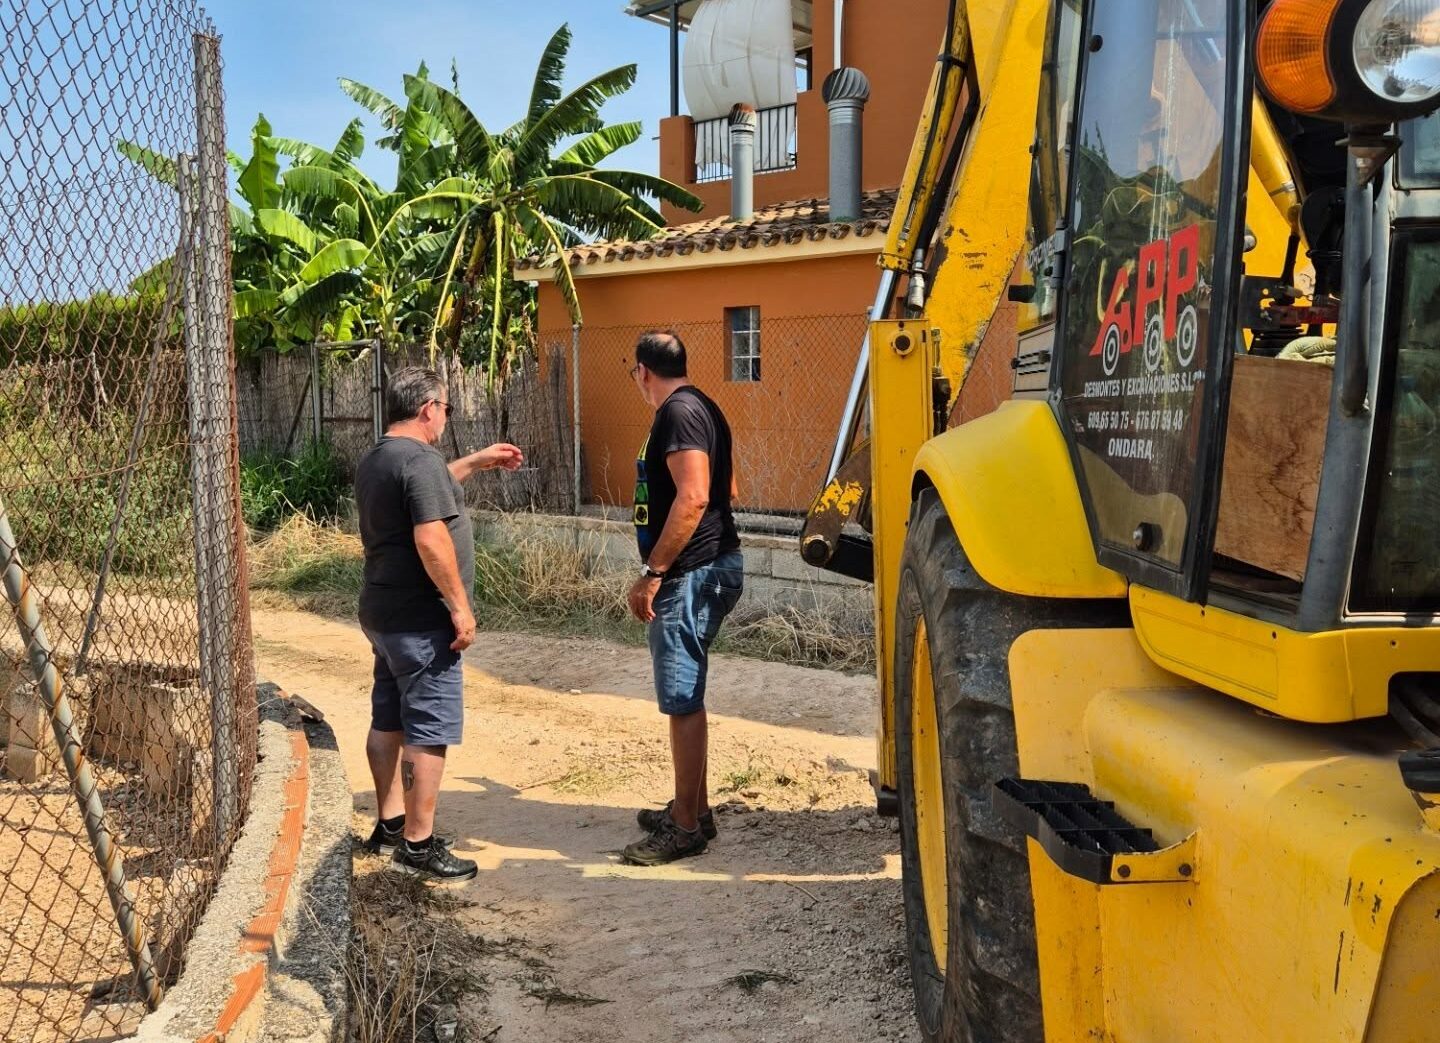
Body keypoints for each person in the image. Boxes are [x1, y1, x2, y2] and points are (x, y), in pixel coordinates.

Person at [356, 367, 523, 884]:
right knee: (428, 729)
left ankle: (390, 824)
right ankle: (418, 845)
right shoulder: (421, 461)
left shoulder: (379, 457)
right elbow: (431, 538)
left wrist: (474, 462)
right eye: (446, 409)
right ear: (428, 408)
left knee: (388, 718)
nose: (446, 418)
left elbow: (421, 489)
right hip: (423, 620)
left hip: (383, 614)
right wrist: (459, 607)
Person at [623, 331, 743, 866]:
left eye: (634, 373)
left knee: (681, 697)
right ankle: (693, 807)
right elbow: (727, 489)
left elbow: (694, 496)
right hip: (707, 565)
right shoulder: (704, 407)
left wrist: (654, 572)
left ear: (644, 371)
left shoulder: (678, 413)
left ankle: (686, 827)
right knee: (685, 694)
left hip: (691, 572)